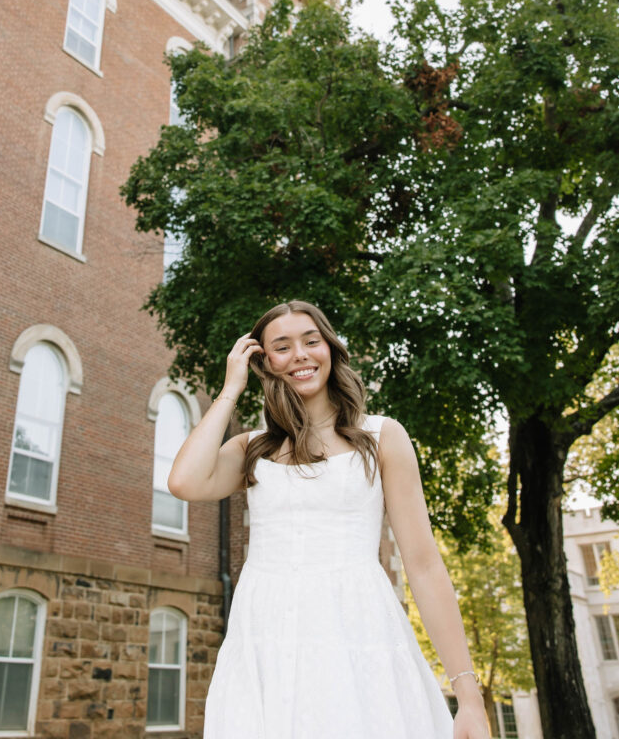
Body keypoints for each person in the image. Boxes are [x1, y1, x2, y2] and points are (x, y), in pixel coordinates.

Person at [168, 300, 491, 739]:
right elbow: (184, 482)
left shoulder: (382, 438)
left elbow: (424, 564)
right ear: (266, 362)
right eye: (281, 347)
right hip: (266, 638)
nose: (299, 354)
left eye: (311, 341)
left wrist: (468, 696)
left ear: (331, 350)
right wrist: (230, 389)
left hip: (358, 634)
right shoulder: (253, 449)